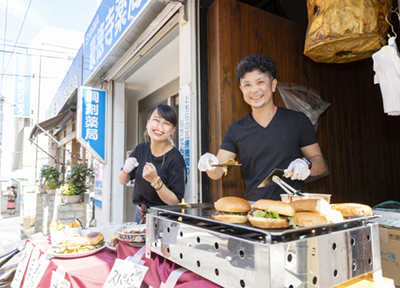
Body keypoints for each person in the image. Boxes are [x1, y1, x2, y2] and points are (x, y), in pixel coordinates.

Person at [198, 54, 326, 201]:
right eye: (247, 85)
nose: (254, 90)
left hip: (294, 208)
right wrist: (208, 164)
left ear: (273, 85)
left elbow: (320, 164)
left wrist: (306, 165)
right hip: (256, 210)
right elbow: (217, 173)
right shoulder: (236, 129)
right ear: (241, 90)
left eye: (260, 82)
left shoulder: (298, 121)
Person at [119, 105, 186, 223]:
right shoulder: (140, 149)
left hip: (164, 218)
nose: (159, 127)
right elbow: (122, 180)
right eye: (156, 120)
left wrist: (156, 181)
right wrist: (125, 169)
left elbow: (175, 201)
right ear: (148, 123)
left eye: (166, 123)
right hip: (140, 215)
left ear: (173, 130)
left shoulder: (175, 158)